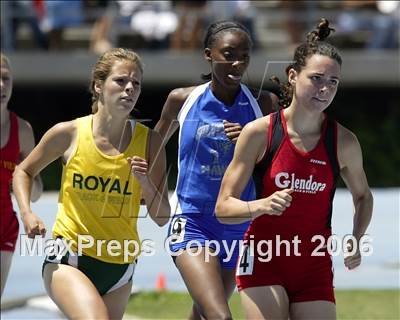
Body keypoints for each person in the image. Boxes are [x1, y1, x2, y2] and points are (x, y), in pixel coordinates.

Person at [215, 18, 373, 319]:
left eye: (333, 82)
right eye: (316, 78)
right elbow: (224, 206)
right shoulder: (260, 133)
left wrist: (356, 236)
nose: (325, 89)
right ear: (292, 75)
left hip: (313, 263)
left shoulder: (344, 142)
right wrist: (261, 205)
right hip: (263, 257)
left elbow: (363, 196)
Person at [12, 48, 170, 319]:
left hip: (120, 265)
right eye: (121, 81)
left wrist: (144, 182)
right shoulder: (69, 133)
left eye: (136, 84)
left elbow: (162, 216)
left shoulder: (150, 142)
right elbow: (23, 172)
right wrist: (27, 213)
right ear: (99, 86)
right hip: (69, 256)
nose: (129, 88)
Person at [155, 20, 279, 320]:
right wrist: (154, 192)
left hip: (240, 224)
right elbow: (154, 145)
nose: (237, 63)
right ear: (208, 54)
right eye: (228, 54)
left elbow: (276, 162)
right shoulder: (182, 100)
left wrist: (250, 143)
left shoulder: (263, 104)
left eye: (245, 55)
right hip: (193, 221)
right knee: (220, 316)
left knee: (203, 313)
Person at [0, 52, 43, 296]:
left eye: (6, 79)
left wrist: (21, 179)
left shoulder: (23, 131)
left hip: (4, 225)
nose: (1, 86)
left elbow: (35, 193)